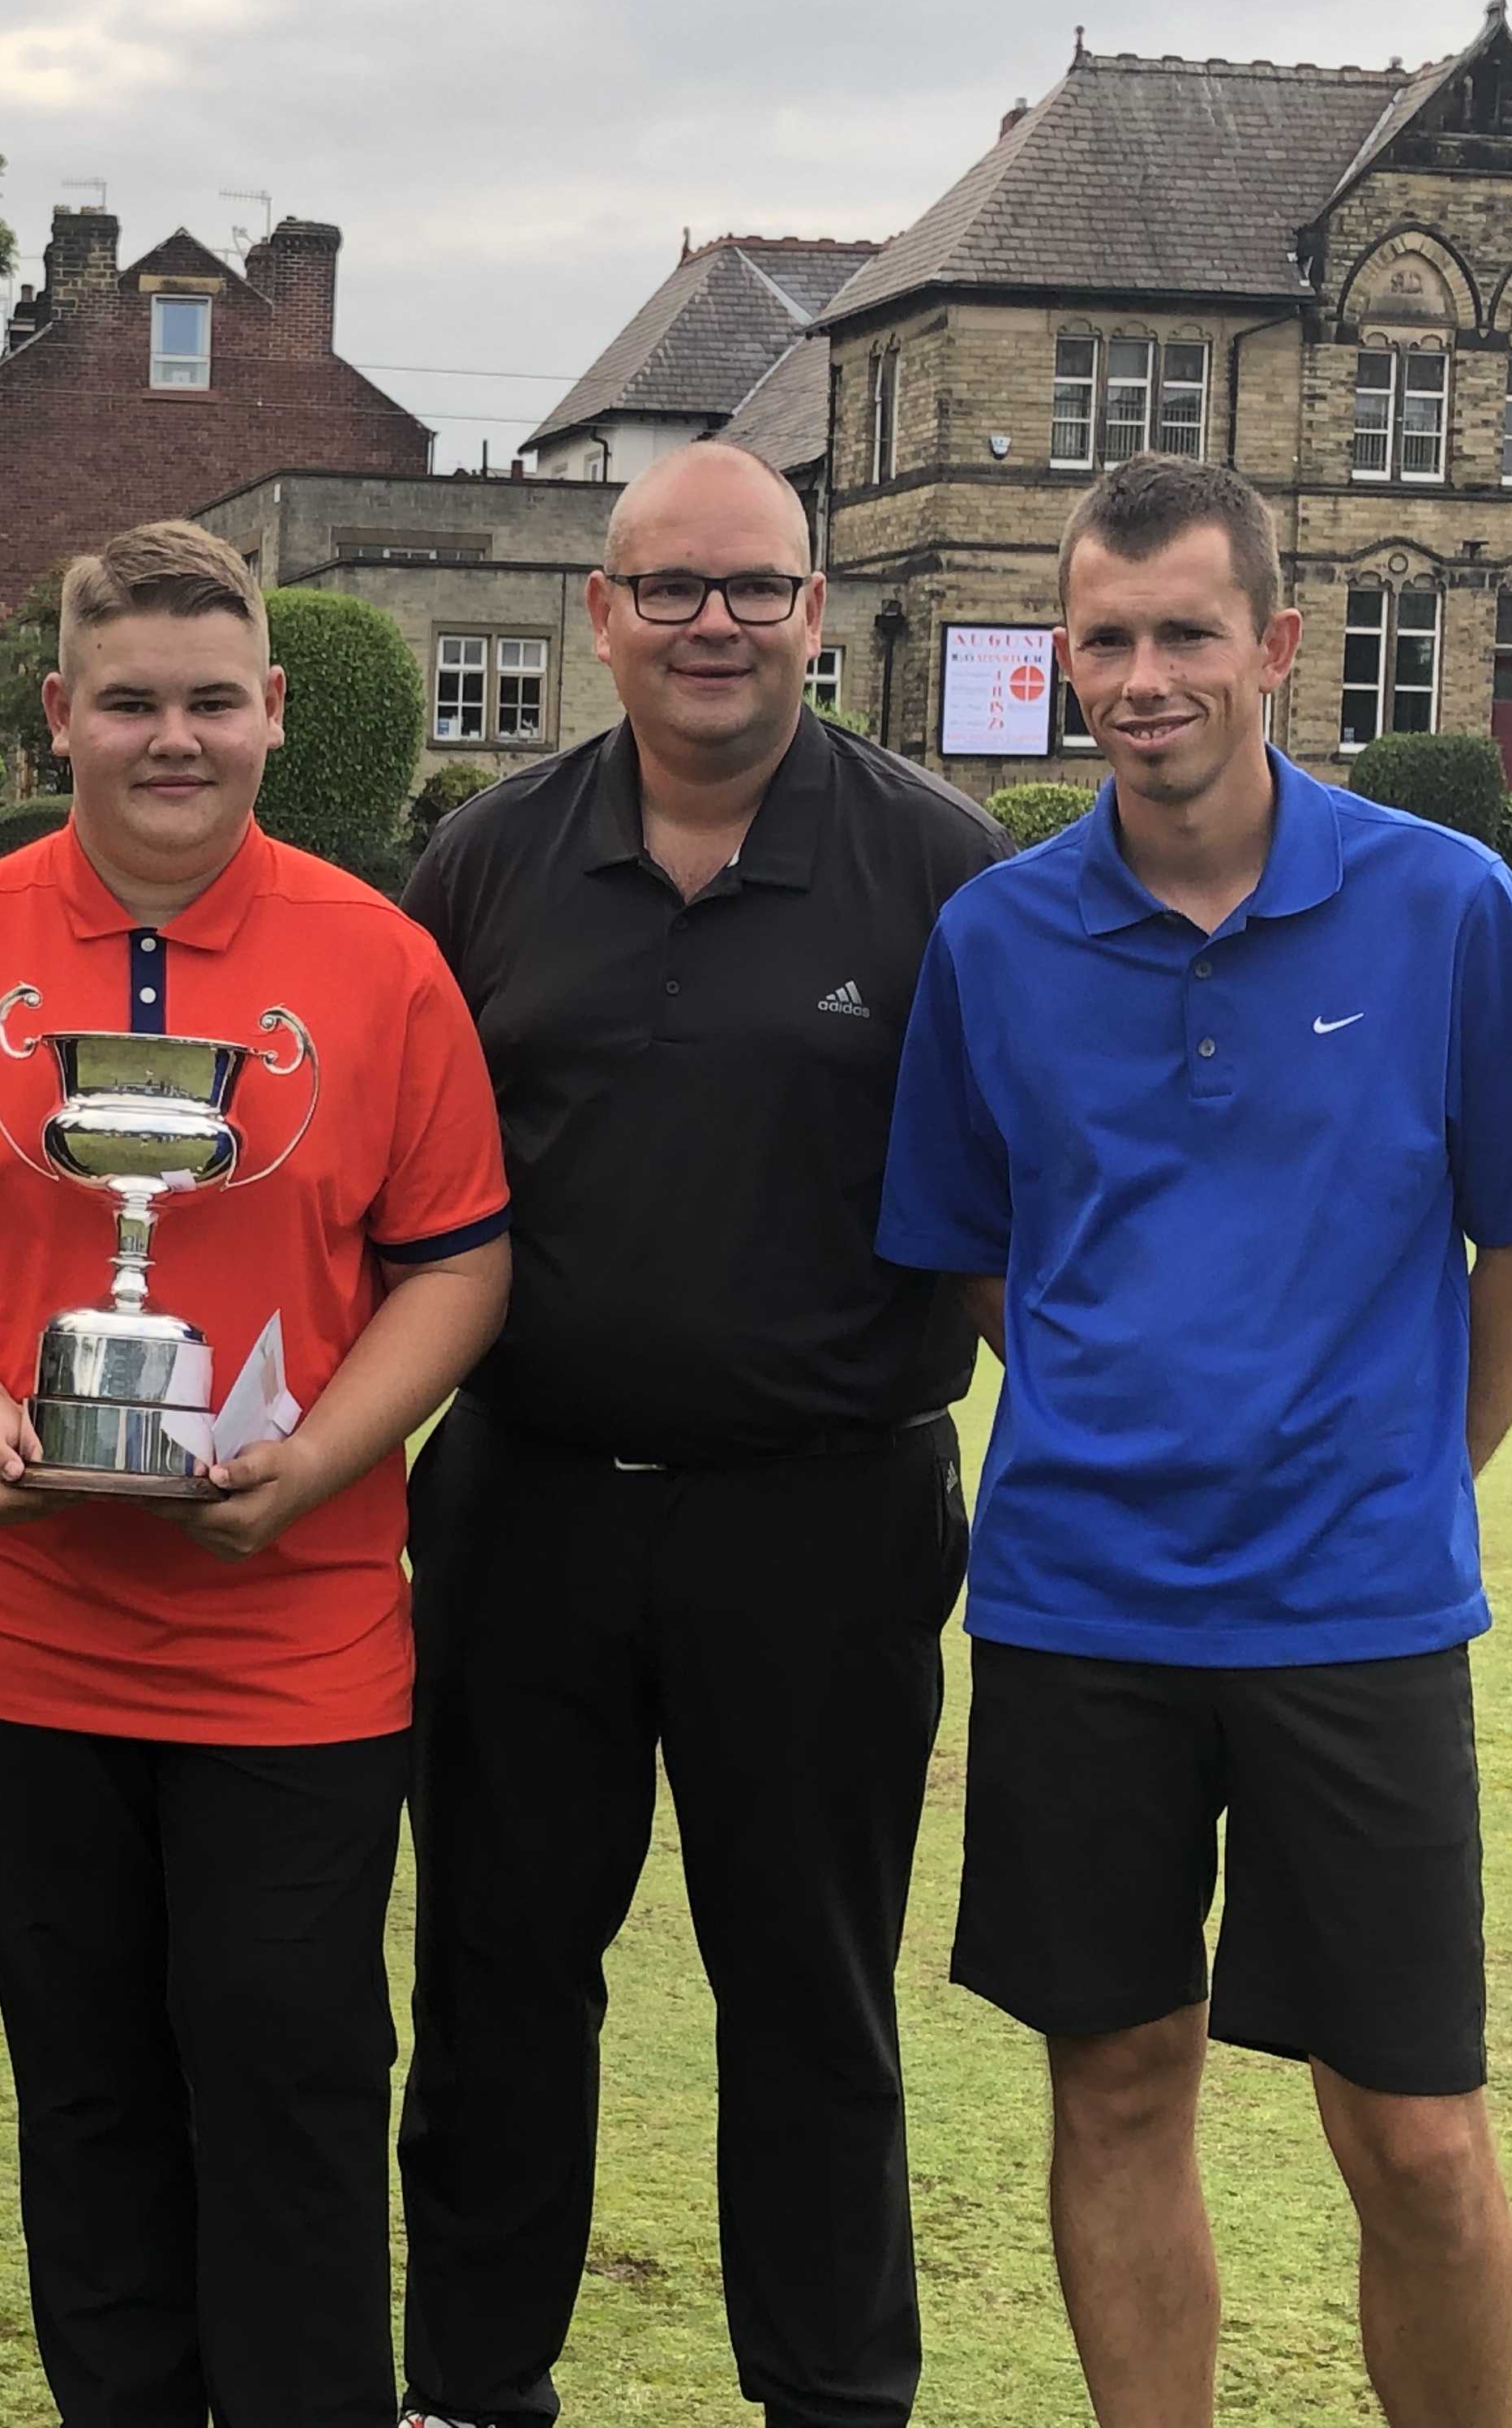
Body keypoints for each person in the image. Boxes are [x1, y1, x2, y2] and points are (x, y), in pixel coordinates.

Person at [876, 453, 1512, 2428]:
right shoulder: (997, 937)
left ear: (1279, 644)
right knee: (1120, 2086)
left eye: (1187, 633)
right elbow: (973, 1254)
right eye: (1106, 640)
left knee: (1417, 2135)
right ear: (1067, 661)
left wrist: (1406, 1476)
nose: (1145, 680)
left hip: (1354, 1620)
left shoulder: (1441, 904)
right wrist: (1131, 1400)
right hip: (1080, 1612)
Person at [0, 519, 513, 2428]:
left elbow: (459, 1268)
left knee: (292, 2071)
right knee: (91, 2082)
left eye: (209, 700)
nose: (170, 739)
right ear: (58, 714)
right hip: (12, 1625)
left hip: (298, 1629)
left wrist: (318, 1461)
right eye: (129, 702)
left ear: (272, 710)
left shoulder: (382, 963)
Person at [391, 440, 1011, 2428]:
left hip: (821, 1524)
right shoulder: (488, 860)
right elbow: (382, 1189)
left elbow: (1034, 1207)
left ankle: (833, 2400)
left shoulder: (941, 871)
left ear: (817, 612)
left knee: (812, 1995)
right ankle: (471, 2390)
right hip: (527, 1511)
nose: (713, 624)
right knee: (495, 1981)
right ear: (603, 614)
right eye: (670, 588)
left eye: (754, 588)